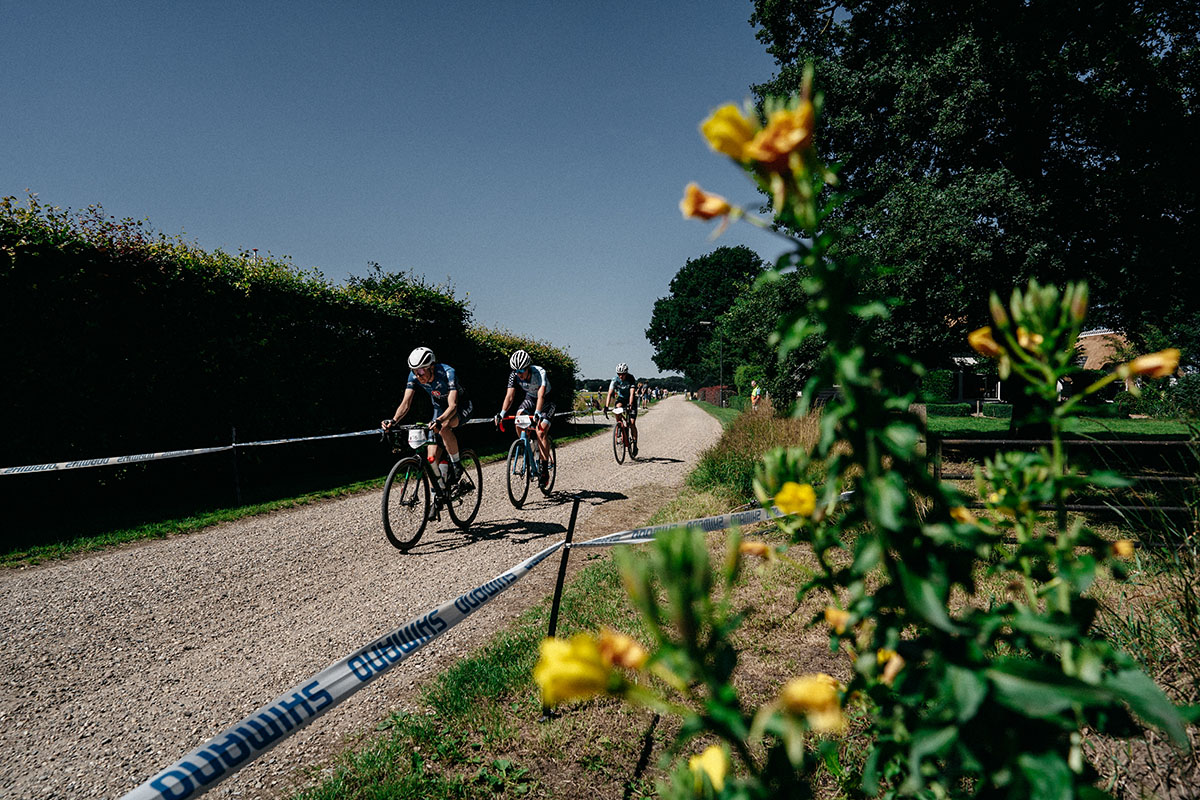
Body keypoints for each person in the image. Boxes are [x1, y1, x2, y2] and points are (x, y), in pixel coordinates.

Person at [382, 347, 473, 514]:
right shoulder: (415, 376)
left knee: (444, 428)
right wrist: (393, 421)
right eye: (414, 371)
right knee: (431, 458)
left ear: (431, 366)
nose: (418, 375)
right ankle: (437, 496)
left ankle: (456, 463)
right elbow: (406, 403)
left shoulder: (447, 372)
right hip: (439, 407)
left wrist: (439, 421)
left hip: (461, 406)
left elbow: (452, 405)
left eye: (422, 370)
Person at [494, 349, 555, 488]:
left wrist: (538, 412)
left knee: (540, 431)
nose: (519, 374)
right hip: (530, 398)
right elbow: (509, 396)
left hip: (547, 400)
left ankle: (544, 469)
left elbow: (541, 395)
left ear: (528, 368)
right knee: (518, 419)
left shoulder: (539, 372)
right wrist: (502, 413)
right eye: (516, 371)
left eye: (521, 370)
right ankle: (526, 445)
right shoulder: (514, 375)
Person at [604, 362, 639, 457]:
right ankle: (620, 426)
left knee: (632, 423)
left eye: (623, 374)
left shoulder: (630, 378)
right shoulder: (615, 379)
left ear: (626, 373)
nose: (621, 376)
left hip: (631, 399)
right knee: (617, 408)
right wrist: (606, 406)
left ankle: (635, 444)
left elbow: (632, 393)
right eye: (619, 374)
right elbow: (610, 393)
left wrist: (630, 404)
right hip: (621, 398)